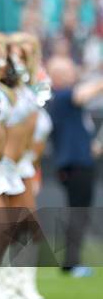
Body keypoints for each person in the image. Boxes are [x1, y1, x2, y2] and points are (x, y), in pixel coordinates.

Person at [47, 55, 103, 275]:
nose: (74, 74)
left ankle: (73, 261)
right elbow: (82, 94)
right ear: (59, 75)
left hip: (81, 161)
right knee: (77, 212)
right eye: (69, 70)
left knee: (80, 212)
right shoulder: (61, 96)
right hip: (74, 164)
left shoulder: (67, 102)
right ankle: (71, 262)